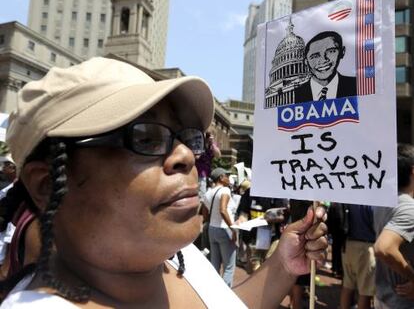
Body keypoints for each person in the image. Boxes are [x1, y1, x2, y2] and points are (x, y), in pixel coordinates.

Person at [0, 57, 328, 308]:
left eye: (185, 137)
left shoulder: (177, 257)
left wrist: (282, 265)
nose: (185, 154)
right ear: (46, 185)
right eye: (144, 137)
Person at [373, 143, 414, 308]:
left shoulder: (385, 201)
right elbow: (383, 248)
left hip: (384, 295)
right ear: (413, 170)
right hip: (402, 300)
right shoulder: (408, 207)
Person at [294, 31, 357, 104]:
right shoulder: (294, 95)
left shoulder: (357, 85)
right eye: (315, 56)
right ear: (306, 61)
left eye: (331, 51)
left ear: (342, 52)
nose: (323, 60)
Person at [202, 168, 237, 286]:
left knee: (214, 264)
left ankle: (213, 291)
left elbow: (205, 215)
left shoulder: (207, 193)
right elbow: (223, 210)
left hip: (212, 229)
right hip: (224, 230)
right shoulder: (225, 190)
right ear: (221, 177)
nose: (228, 178)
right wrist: (233, 229)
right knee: (229, 267)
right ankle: (225, 295)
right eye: (226, 175)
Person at [339, 204, 376, 309]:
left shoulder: (351, 201)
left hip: (348, 245)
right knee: (365, 291)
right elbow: (376, 225)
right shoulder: (371, 203)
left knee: (348, 286)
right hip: (366, 247)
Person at [195, 130, 221, 199]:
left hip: (207, 172)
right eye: (207, 135)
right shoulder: (200, 143)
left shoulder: (212, 145)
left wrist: (212, 143)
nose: (209, 137)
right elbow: (196, 156)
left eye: (211, 136)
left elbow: (218, 155)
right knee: (201, 193)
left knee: (206, 192)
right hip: (199, 171)